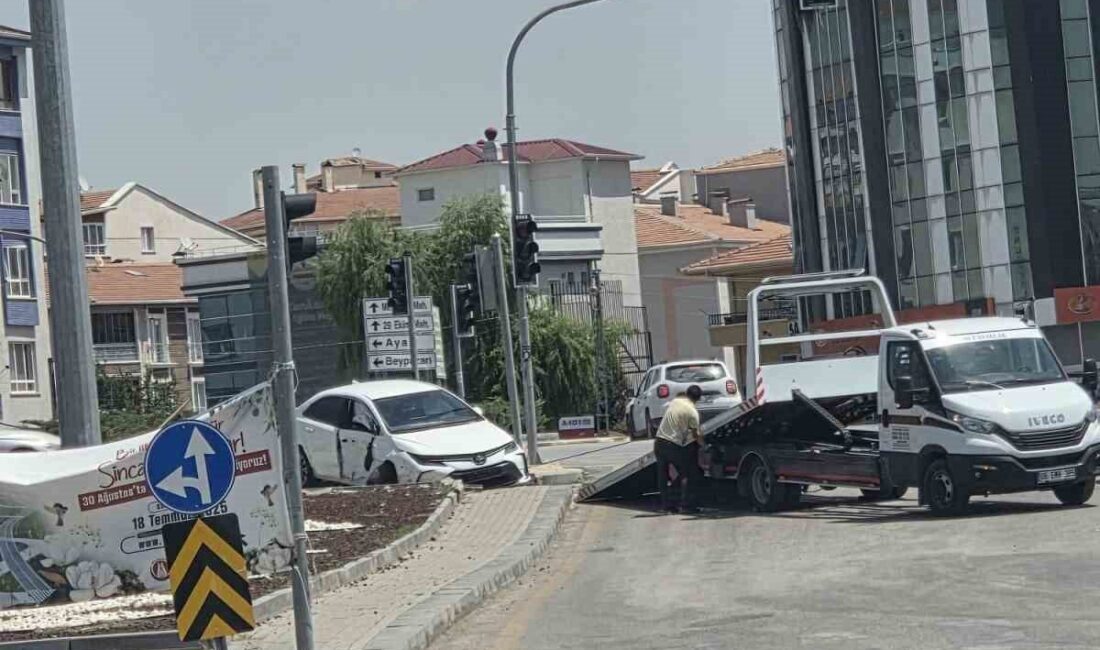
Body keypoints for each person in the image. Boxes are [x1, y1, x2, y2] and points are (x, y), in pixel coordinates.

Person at [654, 384, 704, 513]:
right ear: (698, 399)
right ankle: (687, 505)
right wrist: (704, 446)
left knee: (663, 476)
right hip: (672, 444)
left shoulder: (675, 401)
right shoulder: (692, 412)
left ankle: (666, 506)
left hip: (659, 442)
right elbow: (696, 434)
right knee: (687, 473)